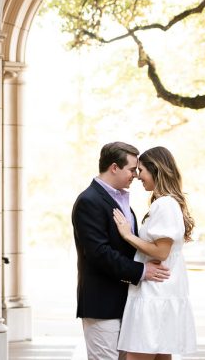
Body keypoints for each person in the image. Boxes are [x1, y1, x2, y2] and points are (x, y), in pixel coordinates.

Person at [72, 141, 172, 360]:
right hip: (101, 305)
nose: (136, 175)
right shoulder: (89, 201)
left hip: (127, 303)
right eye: (132, 169)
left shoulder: (121, 200)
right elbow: (99, 254)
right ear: (114, 167)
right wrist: (142, 271)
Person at [113, 146, 197, 360]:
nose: (138, 176)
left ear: (156, 170)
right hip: (159, 296)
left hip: (155, 297)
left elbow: (161, 252)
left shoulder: (164, 205)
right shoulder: (166, 203)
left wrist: (127, 235)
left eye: (141, 170)